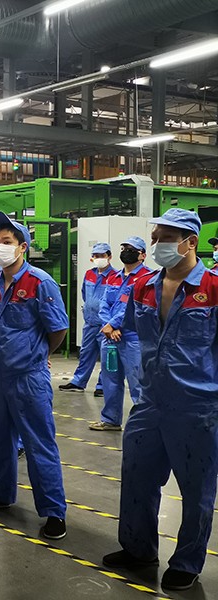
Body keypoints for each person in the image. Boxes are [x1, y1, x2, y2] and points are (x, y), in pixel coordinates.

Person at [102, 209, 218, 591]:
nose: (156, 245)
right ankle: (138, 549)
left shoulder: (213, 288)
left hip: (197, 407)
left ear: (190, 242)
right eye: (154, 237)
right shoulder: (143, 287)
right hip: (149, 401)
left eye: (165, 237)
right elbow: (130, 328)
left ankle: (187, 561)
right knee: (137, 477)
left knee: (196, 490)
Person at [0, 212, 69, 541]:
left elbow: (58, 328)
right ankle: (1, 493)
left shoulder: (40, 282)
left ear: (22, 247)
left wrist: (37, 354)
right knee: (2, 440)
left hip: (28, 377)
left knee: (39, 444)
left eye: (6, 242)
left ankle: (54, 511)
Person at [90, 237, 150, 431]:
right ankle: (111, 419)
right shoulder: (114, 277)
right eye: (123, 248)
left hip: (132, 339)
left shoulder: (147, 278)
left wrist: (114, 325)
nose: (126, 251)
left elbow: (131, 307)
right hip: (110, 338)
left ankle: (143, 424)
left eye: (131, 249)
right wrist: (108, 326)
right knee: (110, 380)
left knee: (137, 382)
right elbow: (104, 304)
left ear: (142, 255)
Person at [59, 243, 115, 395]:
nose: (98, 258)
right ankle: (78, 382)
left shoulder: (115, 277)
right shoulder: (89, 274)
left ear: (109, 257)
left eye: (102, 256)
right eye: (96, 256)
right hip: (90, 322)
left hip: (106, 324)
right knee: (86, 353)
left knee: (106, 357)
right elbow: (84, 294)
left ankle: (103, 386)